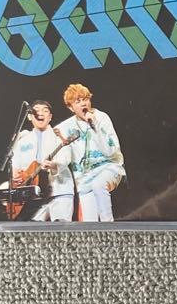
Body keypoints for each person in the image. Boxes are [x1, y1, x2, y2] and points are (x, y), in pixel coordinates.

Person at [53, 83, 126, 221]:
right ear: (71, 107)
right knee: (89, 222)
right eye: (78, 101)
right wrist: (53, 165)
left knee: (98, 185)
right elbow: (65, 157)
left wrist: (95, 126)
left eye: (85, 99)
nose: (83, 104)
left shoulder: (101, 118)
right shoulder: (66, 127)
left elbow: (110, 151)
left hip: (109, 167)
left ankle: (108, 226)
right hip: (84, 177)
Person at [8, 99, 73, 221]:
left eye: (45, 110)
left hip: (60, 190)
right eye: (36, 110)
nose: (40, 113)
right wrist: (15, 176)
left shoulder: (58, 135)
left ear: (50, 117)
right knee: (34, 229)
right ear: (29, 116)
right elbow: (16, 163)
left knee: (61, 228)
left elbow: (66, 158)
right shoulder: (23, 140)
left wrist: (53, 165)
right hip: (33, 196)